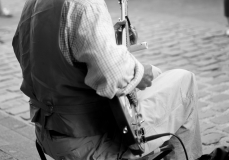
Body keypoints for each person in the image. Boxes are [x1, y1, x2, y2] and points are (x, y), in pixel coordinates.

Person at [12, 0, 203, 159]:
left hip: (47, 134)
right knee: (184, 81)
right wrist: (141, 71)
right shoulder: (85, 4)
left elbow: (54, 55)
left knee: (160, 83)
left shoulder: (32, 4)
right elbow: (115, 76)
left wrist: (107, 40)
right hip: (88, 139)